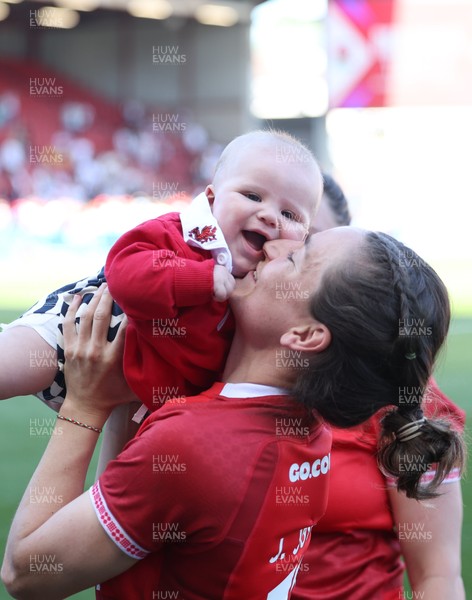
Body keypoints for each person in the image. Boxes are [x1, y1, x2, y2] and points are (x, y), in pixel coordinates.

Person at [1, 227, 465, 599]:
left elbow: (26, 574)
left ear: (304, 336)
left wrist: (85, 406)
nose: (275, 242)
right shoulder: (306, 431)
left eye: (297, 256)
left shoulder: (197, 444)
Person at [0, 129, 322, 412]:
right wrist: (200, 279)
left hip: (133, 392)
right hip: (76, 328)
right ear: (211, 200)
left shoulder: (271, 291)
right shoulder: (181, 233)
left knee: (120, 479)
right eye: (252, 196)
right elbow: (123, 271)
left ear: (307, 236)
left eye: (290, 214)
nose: (269, 216)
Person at [291, 176, 466, 600]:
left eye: (307, 245)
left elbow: (437, 575)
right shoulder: (205, 372)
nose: (279, 252)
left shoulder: (401, 396)